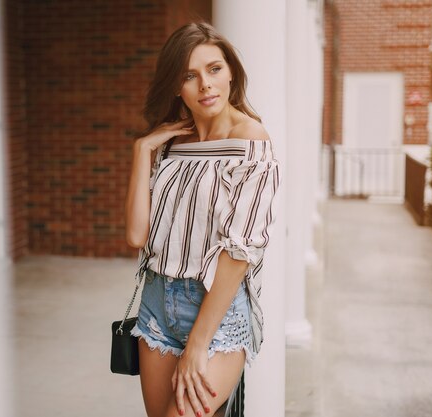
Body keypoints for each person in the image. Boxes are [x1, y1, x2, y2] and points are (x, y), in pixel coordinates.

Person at [125, 22, 281, 417]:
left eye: (214, 69)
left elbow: (239, 251)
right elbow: (136, 234)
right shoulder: (173, 144)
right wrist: (143, 151)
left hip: (217, 313)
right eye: (189, 76)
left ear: (231, 72)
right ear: (176, 86)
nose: (205, 85)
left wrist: (198, 342)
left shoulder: (251, 141)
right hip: (157, 304)